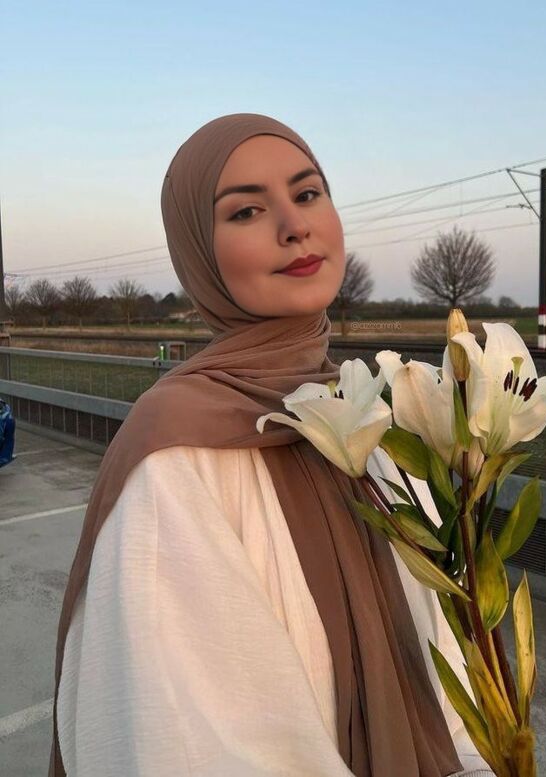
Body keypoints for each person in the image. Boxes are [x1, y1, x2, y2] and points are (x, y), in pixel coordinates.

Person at [50, 113, 495, 777]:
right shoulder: (173, 456)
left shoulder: (366, 412)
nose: (294, 226)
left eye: (308, 193)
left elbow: (443, 662)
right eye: (247, 210)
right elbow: (181, 739)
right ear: (199, 254)